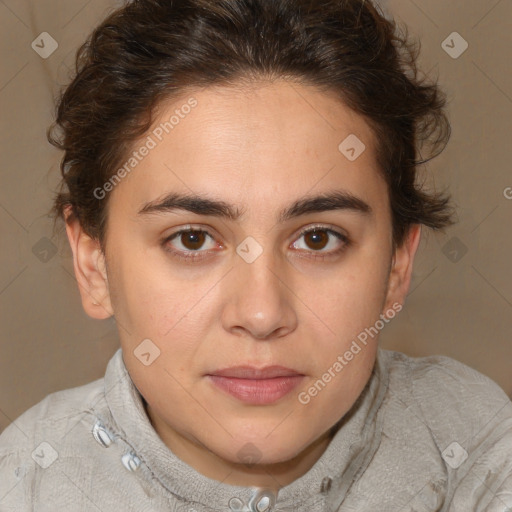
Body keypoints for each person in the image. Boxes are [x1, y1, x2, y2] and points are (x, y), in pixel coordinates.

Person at [1, 0, 511, 510]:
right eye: (193, 239)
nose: (262, 314)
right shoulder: (24, 483)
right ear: (94, 265)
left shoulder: (479, 451)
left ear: (398, 265)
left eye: (318, 239)